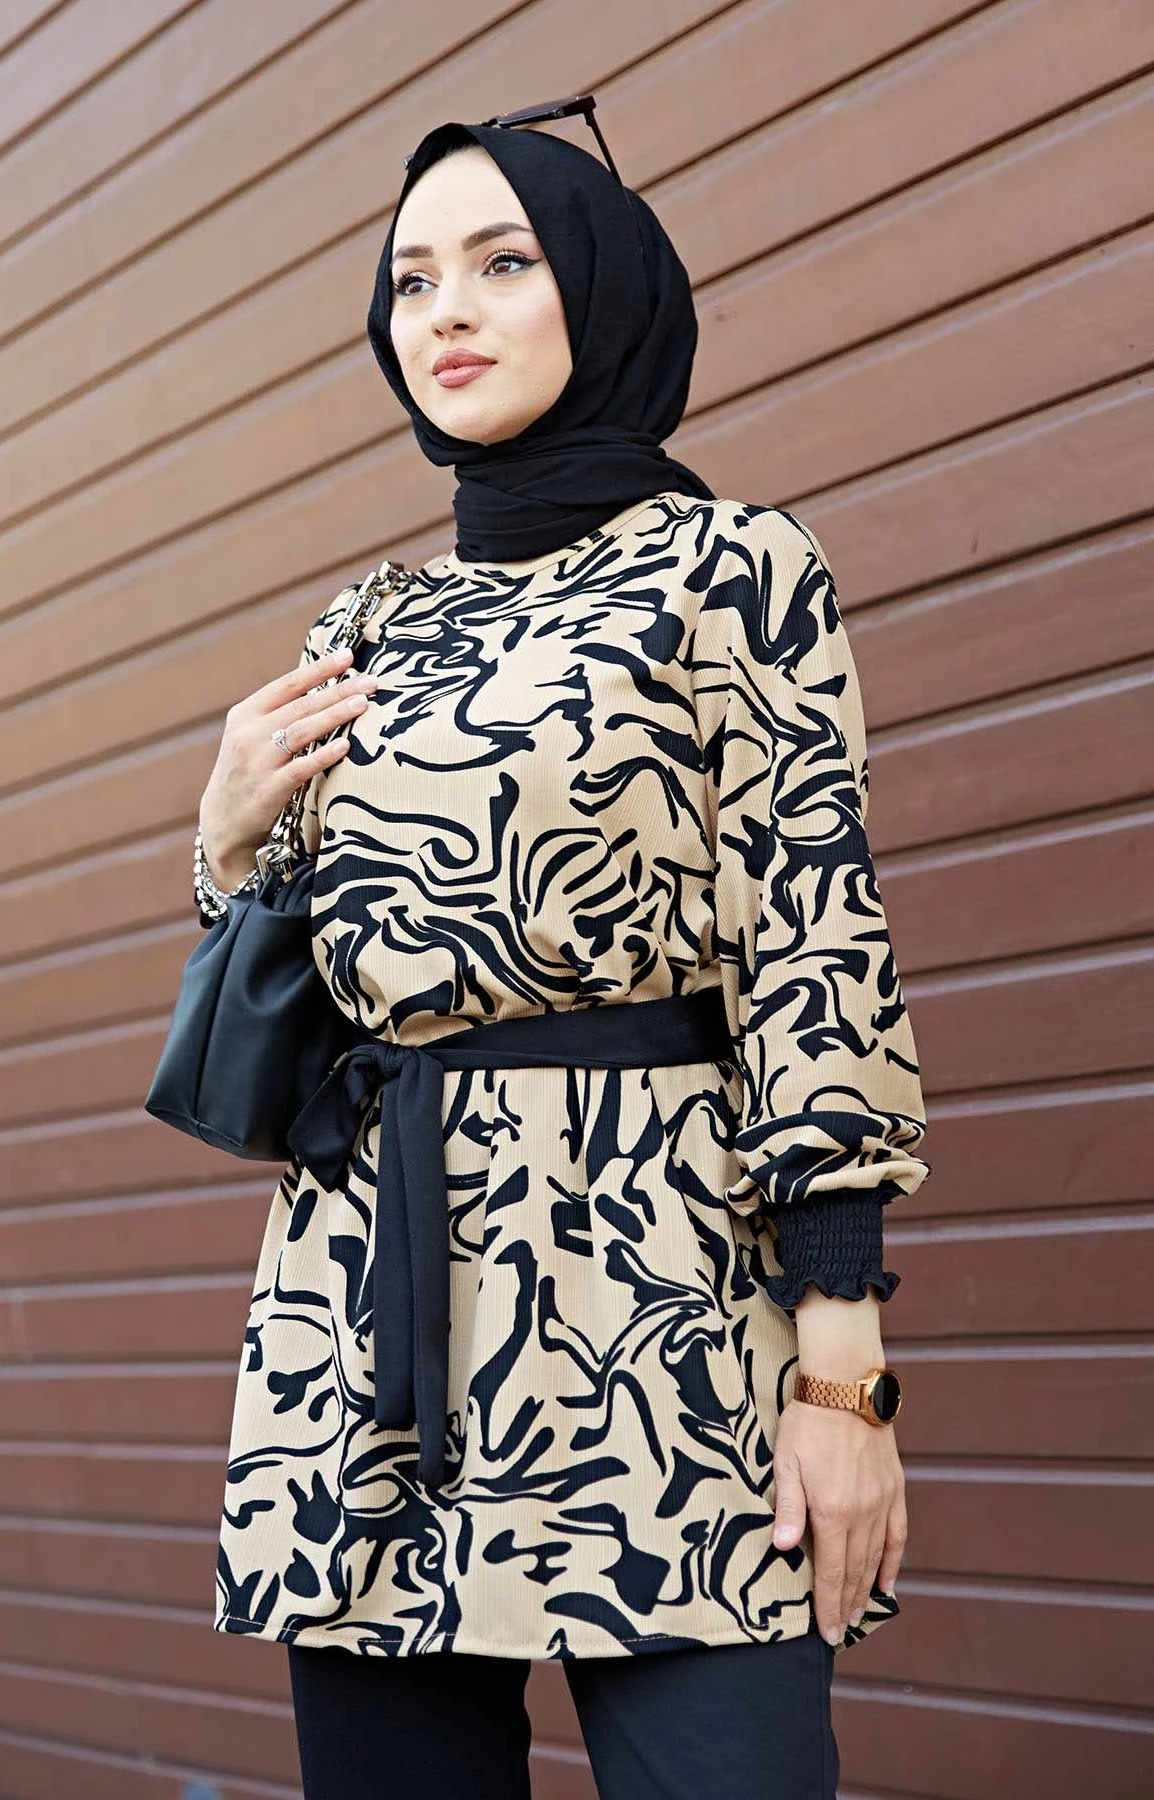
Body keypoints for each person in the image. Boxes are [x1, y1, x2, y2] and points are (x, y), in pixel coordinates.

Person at [196, 106, 929, 1800]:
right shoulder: (365, 623)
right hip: (369, 1305)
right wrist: (225, 841)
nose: (444, 311)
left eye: (503, 263)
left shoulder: (734, 569)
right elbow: (293, 1000)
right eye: (411, 280)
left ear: (604, 289)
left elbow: (815, 945)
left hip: (656, 1291)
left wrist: (844, 1379)